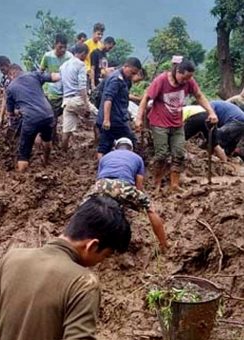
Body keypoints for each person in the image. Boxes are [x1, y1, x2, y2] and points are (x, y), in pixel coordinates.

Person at [0, 196, 131, 340]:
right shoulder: (83, 282)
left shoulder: (11, 259)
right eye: (106, 255)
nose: (101, 261)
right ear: (92, 246)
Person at [135, 59, 218, 192]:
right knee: (162, 154)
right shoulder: (161, 80)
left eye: (189, 78)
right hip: (159, 122)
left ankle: (174, 184)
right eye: (184, 78)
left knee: (179, 153)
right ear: (177, 71)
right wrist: (138, 118)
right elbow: (146, 98)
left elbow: (199, 95)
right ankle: (157, 182)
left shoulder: (189, 81)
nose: (186, 81)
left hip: (177, 123)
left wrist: (211, 112)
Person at [84, 137, 168, 252]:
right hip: (124, 185)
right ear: (131, 149)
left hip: (102, 185)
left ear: (116, 147)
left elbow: (99, 178)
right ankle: (163, 245)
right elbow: (138, 185)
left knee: (84, 210)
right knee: (150, 210)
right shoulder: (137, 158)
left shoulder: (106, 157)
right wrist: (133, 200)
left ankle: (80, 242)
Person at [6, 64, 60, 172]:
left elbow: (10, 113)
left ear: (12, 73)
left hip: (31, 119)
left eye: (9, 76)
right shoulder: (34, 75)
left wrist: (18, 111)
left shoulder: (10, 87)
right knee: (47, 139)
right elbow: (55, 77)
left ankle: (22, 178)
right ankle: (46, 161)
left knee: (24, 152)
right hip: (48, 114)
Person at [96, 57, 143, 159]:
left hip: (118, 118)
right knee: (128, 142)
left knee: (108, 145)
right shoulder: (116, 79)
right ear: (126, 66)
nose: (133, 75)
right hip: (111, 120)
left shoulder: (125, 79)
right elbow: (108, 99)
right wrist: (106, 120)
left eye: (135, 73)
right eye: (132, 72)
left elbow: (123, 97)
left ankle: (117, 164)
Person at [59, 43, 98, 151]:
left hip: (67, 101)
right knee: (99, 120)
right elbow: (82, 87)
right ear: (83, 53)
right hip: (77, 99)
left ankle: (63, 153)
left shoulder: (63, 66)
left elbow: (62, 84)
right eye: (86, 55)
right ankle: (99, 147)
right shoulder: (80, 65)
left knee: (66, 130)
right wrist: (86, 105)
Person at [40, 33, 73, 142]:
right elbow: (41, 72)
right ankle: (52, 140)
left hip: (66, 93)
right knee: (52, 119)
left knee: (68, 119)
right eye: (60, 47)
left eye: (64, 47)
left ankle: (62, 142)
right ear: (55, 45)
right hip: (52, 92)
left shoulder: (69, 57)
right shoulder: (48, 56)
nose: (62, 50)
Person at [0, 56, 12, 128]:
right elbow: (5, 98)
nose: (1, 71)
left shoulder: (19, 76)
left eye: (3, 69)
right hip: (12, 112)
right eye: (0, 70)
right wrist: (1, 116)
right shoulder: (4, 79)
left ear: (8, 65)